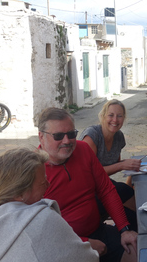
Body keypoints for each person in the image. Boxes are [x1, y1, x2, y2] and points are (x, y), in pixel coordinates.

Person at [0, 147, 98, 262]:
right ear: (20, 194)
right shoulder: (42, 220)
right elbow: (87, 258)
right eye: (43, 182)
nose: (48, 185)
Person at [38, 107, 137, 262]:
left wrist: (124, 229)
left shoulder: (82, 149)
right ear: (41, 137)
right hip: (64, 246)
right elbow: (38, 229)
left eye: (71, 134)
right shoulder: (34, 170)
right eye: (58, 136)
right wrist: (84, 242)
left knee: (140, 251)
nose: (67, 141)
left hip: (98, 230)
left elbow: (106, 189)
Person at [79, 99, 138, 230]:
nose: (115, 120)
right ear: (103, 116)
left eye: (119, 116)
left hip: (102, 184)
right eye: (111, 115)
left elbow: (115, 164)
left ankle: (129, 231)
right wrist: (122, 166)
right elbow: (88, 173)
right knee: (125, 195)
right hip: (86, 189)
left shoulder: (119, 137)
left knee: (130, 198)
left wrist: (130, 164)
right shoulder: (92, 136)